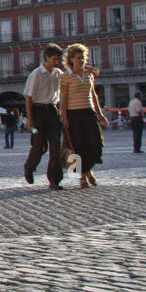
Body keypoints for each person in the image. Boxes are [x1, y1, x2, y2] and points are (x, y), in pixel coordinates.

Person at [59, 43, 105, 189]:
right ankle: (84, 176)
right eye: (79, 57)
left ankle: (86, 171)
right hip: (74, 114)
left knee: (96, 144)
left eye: (84, 57)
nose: (83, 60)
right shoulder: (66, 77)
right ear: (71, 59)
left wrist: (99, 113)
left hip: (88, 112)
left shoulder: (89, 74)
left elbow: (93, 95)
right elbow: (63, 98)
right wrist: (64, 117)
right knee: (79, 147)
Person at [23, 43, 65, 190]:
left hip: (53, 112)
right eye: (54, 59)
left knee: (56, 148)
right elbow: (28, 97)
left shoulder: (58, 73)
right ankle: (29, 166)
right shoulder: (35, 74)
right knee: (38, 146)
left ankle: (54, 180)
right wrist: (30, 119)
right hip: (37, 113)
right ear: (46, 57)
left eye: (59, 59)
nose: (57, 62)